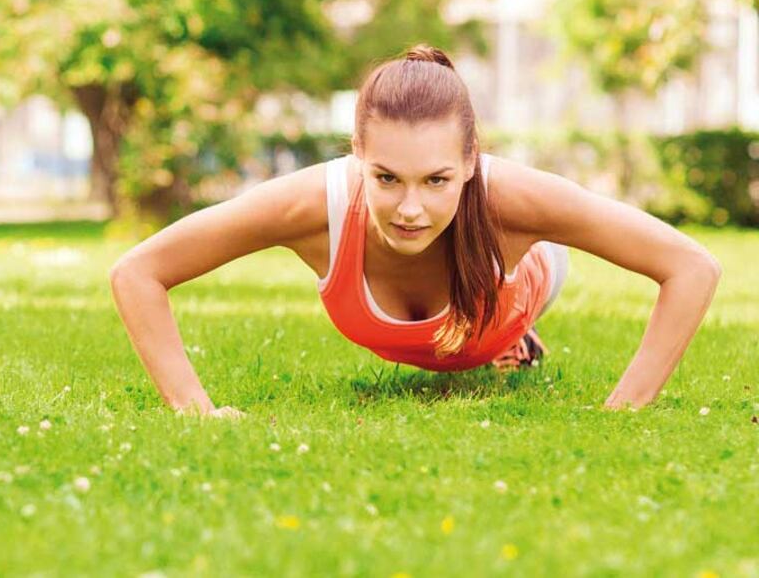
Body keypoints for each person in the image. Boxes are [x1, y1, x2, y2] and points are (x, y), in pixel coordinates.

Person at [111, 45, 721, 416]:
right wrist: (196, 411)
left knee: (488, 310)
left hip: (517, 277)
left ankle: (511, 333)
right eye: (386, 178)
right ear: (357, 155)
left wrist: (625, 410)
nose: (409, 209)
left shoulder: (515, 198)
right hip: (453, 297)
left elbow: (691, 266)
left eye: (436, 180)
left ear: (471, 162)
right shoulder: (310, 206)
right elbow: (138, 272)